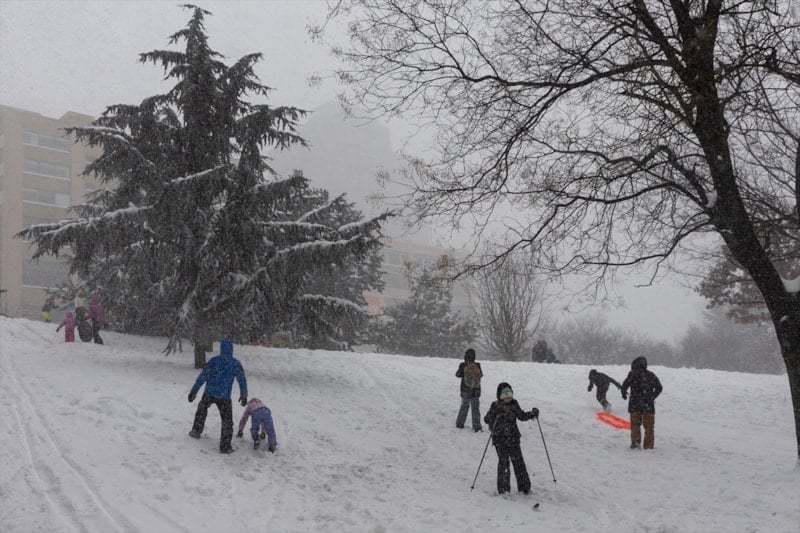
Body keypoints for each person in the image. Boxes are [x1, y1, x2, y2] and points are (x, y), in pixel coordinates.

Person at [188, 339, 248, 454]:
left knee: (202, 410)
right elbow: (242, 379)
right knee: (227, 421)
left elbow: (203, 376)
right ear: (231, 349)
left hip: (209, 393)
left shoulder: (214, 361)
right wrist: (244, 394)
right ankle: (225, 446)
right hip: (224, 396)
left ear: (221, 349)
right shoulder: (235, 363)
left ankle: (196, 430)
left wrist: (194, 390)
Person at [484, 382, 539, 495]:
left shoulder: (514, 404)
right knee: (504, 463)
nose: (508, 397)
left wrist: (532, 414)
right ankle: (504, 490)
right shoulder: (496, 405)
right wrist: (495, 416)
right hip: (500, 439)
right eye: (505, 395)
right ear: (500, 396)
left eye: (509, 395)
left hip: (513, 438)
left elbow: (522, 416)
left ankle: (524, 488)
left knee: (519, 462)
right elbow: (486, 419)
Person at [621, 356, 663, 450]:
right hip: (648, 405)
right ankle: (649, 446)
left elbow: (624, 385)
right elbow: (659, 387)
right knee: (649, 427)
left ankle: (636, 443)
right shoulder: (651, 375)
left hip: (634, 404)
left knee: (635, 425)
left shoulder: (632, 374)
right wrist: (652, 396)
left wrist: (623, 393)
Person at [455, 348, 483, 432]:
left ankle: (460, 423)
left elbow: (458, 374)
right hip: (476, 390)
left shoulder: (462, 365)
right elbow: (481, 375)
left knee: (464, 407)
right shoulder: (477, 365)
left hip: (465, 390)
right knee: (475, 408)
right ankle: (477, 426)